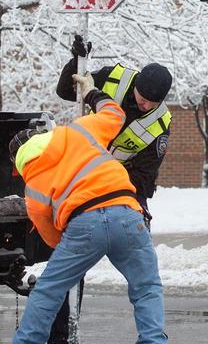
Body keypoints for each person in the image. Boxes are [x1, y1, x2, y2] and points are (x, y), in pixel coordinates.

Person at [2, 73, 168, 344]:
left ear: (20, 163)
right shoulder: (78, 131)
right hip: (128, 213)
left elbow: (52, 237)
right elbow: (114, 115)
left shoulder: (33, 186)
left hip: (83, 225)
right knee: (146, 288)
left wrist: (76, 248)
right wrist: (91, 92)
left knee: (49, 290)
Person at [55, 35, 173, 220]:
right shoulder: (112, 78)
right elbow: (66, 91)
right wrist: (76, 62)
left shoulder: (160, 125)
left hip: (122, 184)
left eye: (154, 103)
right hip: (81, 170)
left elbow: (143, 176)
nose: (147, 106)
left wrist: (107, 186)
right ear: (136, 86)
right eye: (143, 99)